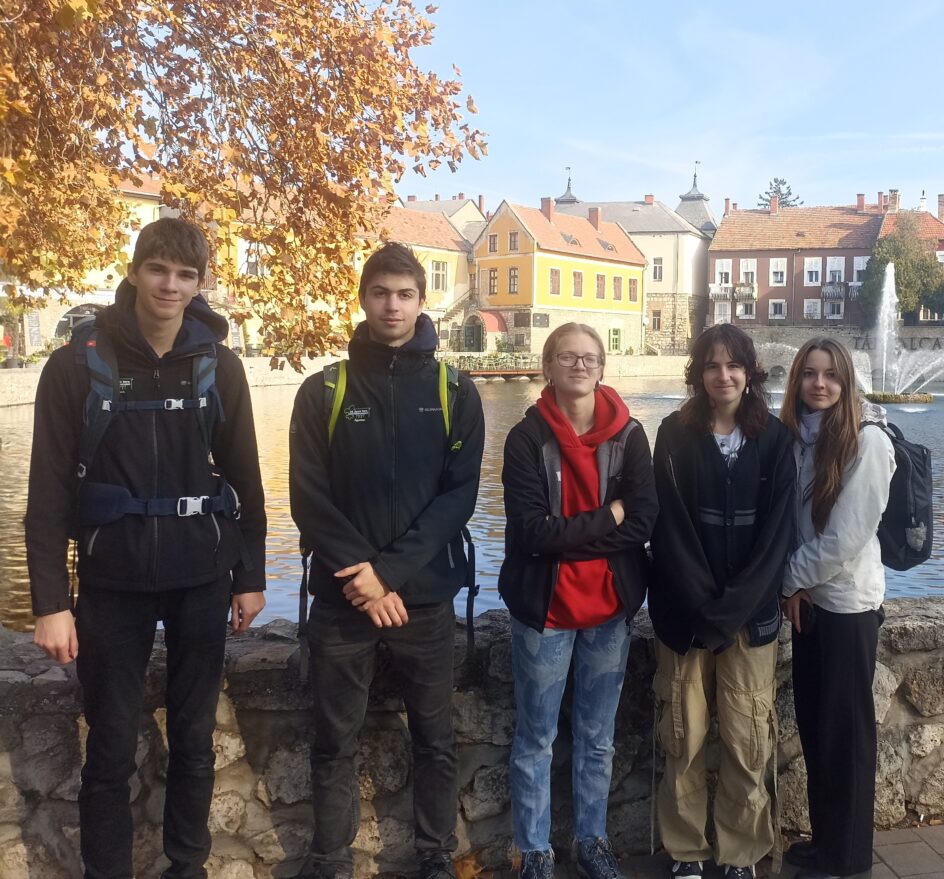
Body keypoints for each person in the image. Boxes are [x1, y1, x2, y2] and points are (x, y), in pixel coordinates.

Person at [26, 217, 268, 878]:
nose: (170, 285)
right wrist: (50, 602)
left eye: (186, 275)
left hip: (201, 578)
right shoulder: (77, 365)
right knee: (108, 747)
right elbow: (46, 494)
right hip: (112, 581)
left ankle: (187, 866)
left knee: (194, 740)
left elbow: (246, 479)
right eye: (158, 269)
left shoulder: (219, 366)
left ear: (199, 284)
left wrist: (250, 575)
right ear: (133, 272)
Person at [289, 242, 485, 879]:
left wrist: (388, 574)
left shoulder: (454, 390)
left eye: (404, 294)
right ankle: (330, 860)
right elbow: (308, 497)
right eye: (380, 293)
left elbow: (458, 498)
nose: (392, 306)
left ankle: (435, 855)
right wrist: (364, 577)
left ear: (422, 301)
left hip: (423, 597)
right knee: (332, 741)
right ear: (363, 300)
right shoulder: (325, 389)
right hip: (343, 597)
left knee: (434, 739)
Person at [499, 322, 658, 879]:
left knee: (597, 738)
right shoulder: (526, 439)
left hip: (608, 609)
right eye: (566, 357)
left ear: (602, 367)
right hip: (545, 610)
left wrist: (569, 535)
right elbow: (532, 533)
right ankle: (535, 852)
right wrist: (608, 516)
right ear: (548, 367)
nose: (579, 366)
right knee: (536, 738)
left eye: (589, 357)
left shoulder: (630, 436)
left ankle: (592, 841)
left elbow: (643, 520)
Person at [648, 323, 795, 879]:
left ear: (750, 373)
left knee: (746, 737)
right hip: (684, 617)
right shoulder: (674, 433)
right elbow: (669, 528)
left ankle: (740, 852)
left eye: (734, 365)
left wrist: (732, 608)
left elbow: (777, 537)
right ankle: (686, 850)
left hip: (749, 620)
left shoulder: (775, 440)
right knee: (682, 737)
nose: (723, 375)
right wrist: (704, 607)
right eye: (712, 365)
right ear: (698, 374)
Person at [779, 337, 896, 879]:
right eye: (809, 373)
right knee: (817, 729)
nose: (819, 384)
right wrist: (797, 588)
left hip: (848, 607)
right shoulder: (802, 437)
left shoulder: (867, 441)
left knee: (846, 736)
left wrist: (789, 581)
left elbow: (845, 538)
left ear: (847, 381)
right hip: (811, 603)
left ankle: (847, 859)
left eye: (831, 375)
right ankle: (826, 841)